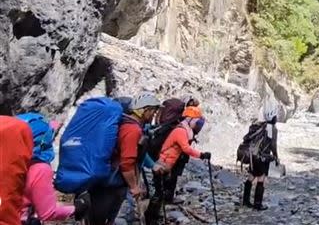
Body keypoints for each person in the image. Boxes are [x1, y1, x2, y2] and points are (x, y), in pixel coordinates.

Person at [85, 92, 160, 225]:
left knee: (96, 218)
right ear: (144, 110)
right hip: (112, 182)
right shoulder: (132, 130)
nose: (154, 115)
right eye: (153, 111)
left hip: (102, 178)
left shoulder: (124, 124)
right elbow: (127, 163)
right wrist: (134, 187)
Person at [17, 115, 90, 223]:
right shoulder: (39, 169)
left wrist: (56, 123)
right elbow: (48, 213)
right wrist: (78, 208)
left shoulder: (7, 159)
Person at [144, 107, 210, 225]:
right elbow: (186, 148)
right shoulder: (181, 131)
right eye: (197, 122)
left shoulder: (184, 129)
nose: (198, 125)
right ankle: (150, 218)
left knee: (160, 191)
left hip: (166, 165)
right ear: (190, 119)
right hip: (162, 164)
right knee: (159, 192)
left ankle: (154, 216)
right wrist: (201, 155)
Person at [238, 107, 279, 211]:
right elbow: (273, 146)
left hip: (253, 155)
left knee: (251, 176)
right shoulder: (272, 129)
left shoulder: (260, 125)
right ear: (273, 117)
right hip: (262, 157)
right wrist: (276, 157)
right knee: (261, 179)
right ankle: (258, 204)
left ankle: (246, 201)